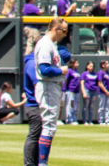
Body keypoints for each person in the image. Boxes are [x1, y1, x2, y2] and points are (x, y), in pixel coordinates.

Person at [24, 18, 69, 166]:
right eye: (64, 30)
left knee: (50, 126)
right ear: (55, 29)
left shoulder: (52, 44)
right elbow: (44, 69)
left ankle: (42, 163)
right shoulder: (44, 44)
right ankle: (42, 163)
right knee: (49, 126)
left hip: (51, 86)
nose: (65, 33)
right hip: (47, 85)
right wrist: (60, 70)